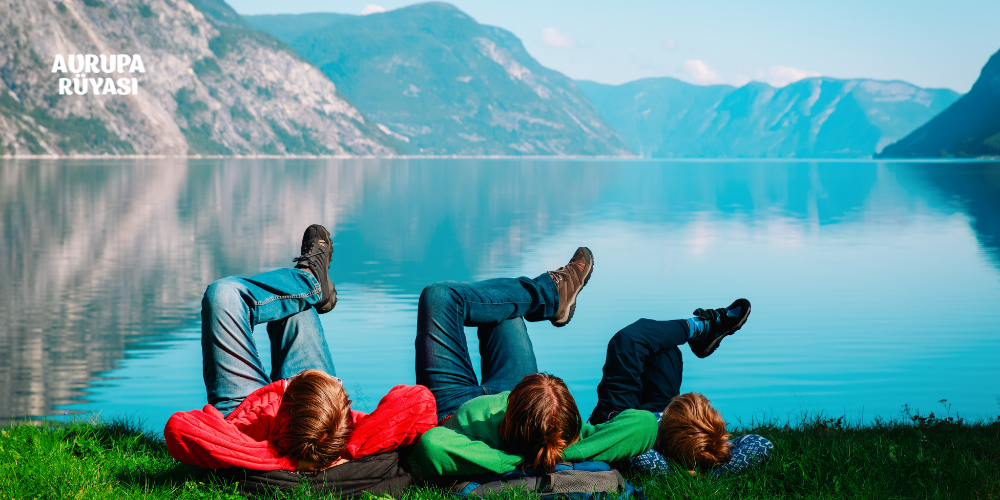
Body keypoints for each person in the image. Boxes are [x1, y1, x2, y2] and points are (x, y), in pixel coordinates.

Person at [164, 224, 437, 471]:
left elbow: (181, 427)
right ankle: (309, 285)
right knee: (296, 308)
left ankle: (309, 283)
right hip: (318, 408)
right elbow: (420, 402)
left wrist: (273, 458)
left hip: (243, 409)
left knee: (222, 294)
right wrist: (347, 446)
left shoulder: (248, 438)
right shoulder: (343, 436)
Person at [408, 248, 661, 479]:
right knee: (502, 306)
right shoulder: (570, 435)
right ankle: (553, 295)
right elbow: (644, 424)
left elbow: (434, 445)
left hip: (455, 406)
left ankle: (550, 291)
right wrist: (556, 457)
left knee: (439, 296)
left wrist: (522, 463)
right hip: (524, 400)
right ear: (573, 427)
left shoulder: (492, 445)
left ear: (508, 415)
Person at [589, 301, 773, 476]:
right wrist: (708, 466)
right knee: (665, 349)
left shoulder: (643, 454)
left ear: (660, 447)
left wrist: (674, 468)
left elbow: (639, 456)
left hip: (619, 419)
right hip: (663, 416)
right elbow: (761, 444)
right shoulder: (702, 451)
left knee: (628, 340)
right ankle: (703, 332)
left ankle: (699, 326)